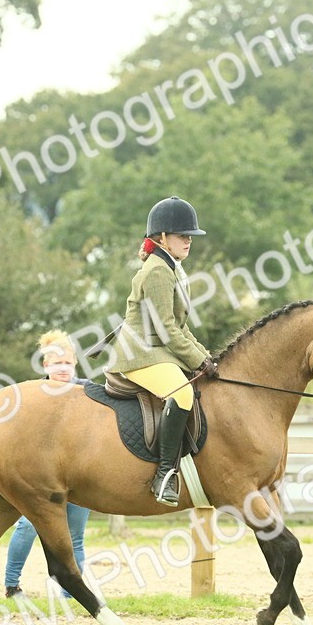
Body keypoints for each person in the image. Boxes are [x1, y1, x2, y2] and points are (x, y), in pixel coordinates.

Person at [108, 195, 217, 506]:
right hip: (140, 353)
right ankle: (165, 473)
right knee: (182, 393)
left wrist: (206, 357)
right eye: (183, 235)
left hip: (159, 350)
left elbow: (181, 328)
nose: (188, 241)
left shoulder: (171, 268)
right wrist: (197, 361)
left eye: (190, 236)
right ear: (162, 238)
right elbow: (168, 330)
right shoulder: (157, 270)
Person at [4, 330, 91, 598]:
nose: (62, 368)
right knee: (28, 526)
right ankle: (11, 584)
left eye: (66, 363)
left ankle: (71, 594)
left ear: (74, 363)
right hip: (42, 476)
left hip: (78, 476)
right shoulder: (33, 394)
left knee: (74, 536)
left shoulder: (87, 391)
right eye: (56, 363)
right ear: (46, 366)